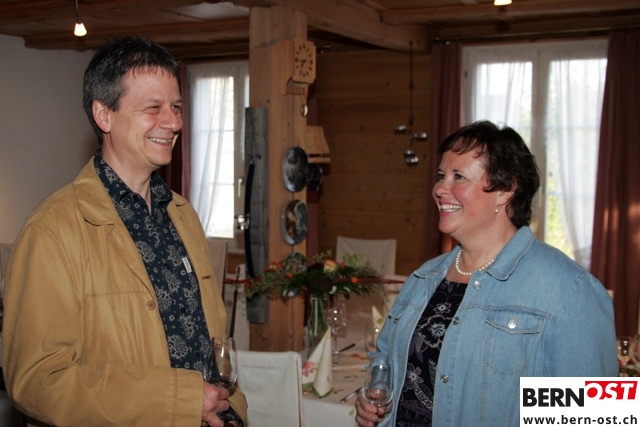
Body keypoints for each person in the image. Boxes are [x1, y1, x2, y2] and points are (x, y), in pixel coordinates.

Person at [1, 36, 246, 427]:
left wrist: (234, 409)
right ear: (104, 115)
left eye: (176, 107)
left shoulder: (184, 216)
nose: (174, 122)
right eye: (153, 107)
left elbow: (210, 345)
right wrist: (181, 400)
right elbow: (37, 381)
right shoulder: (52, 229)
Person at [355, 120, 618, 427]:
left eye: (458, 177)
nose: (439, 189)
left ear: (505, 190)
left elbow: (591, 417)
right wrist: (375, 395)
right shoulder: (424, 277)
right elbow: (384, 358)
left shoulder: (569, 291)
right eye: (441, 176)